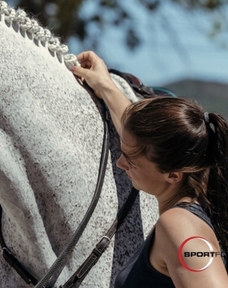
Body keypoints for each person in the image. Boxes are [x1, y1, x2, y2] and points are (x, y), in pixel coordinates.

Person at [72, 51, 228, 288]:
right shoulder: (197, 198)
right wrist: (106, 86)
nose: (120, 163)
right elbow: (141, 140)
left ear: (173, 175)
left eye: (132, 161)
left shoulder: (179, 225)